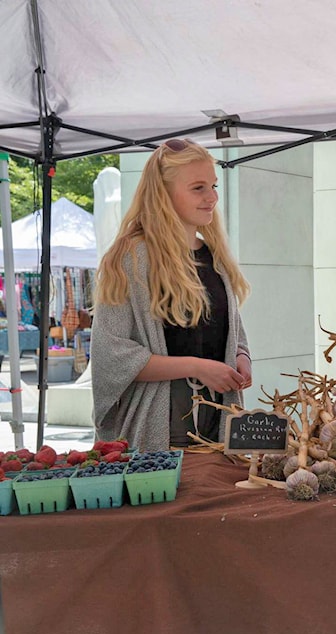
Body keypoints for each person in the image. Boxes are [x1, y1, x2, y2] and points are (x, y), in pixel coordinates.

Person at [91, 139, 252, 452]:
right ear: (163, 193)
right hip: (161, 426)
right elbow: (111, 356)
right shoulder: (131, 258)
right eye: (198, 188)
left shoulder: (214, 257)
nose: (212, 198)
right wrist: (196, 367)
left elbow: (231, 329)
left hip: (219, 421)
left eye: (213, 186)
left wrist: (241, 356)